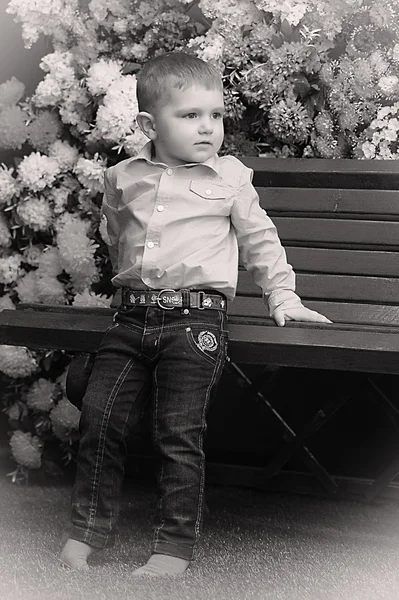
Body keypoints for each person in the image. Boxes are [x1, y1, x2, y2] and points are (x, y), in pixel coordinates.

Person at [59, 52, 331, 576]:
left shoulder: (229, 176)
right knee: (101, 418)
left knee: (177, 431)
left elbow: (260, 241)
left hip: (195, 324)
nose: (208, 127)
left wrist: (282, 296)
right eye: (190, 116)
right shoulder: (122, 177)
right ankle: (87, 532)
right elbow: (116, 236)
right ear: (148, 124)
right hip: (131, 319)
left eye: (216, 115)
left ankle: (172, 548)